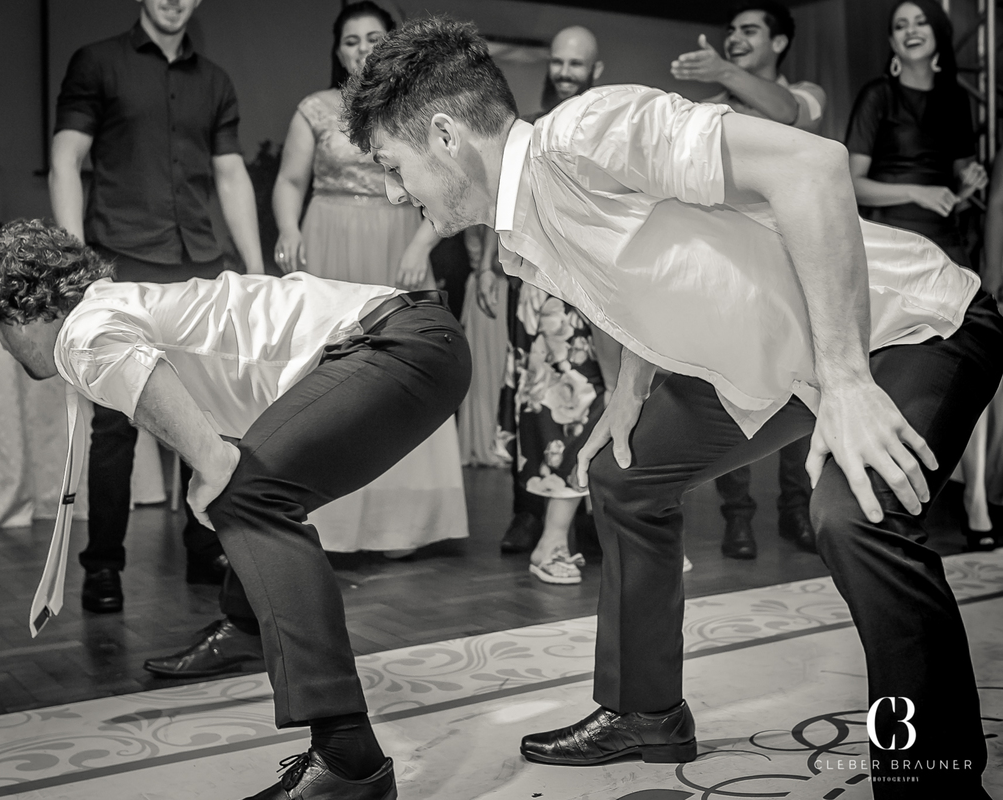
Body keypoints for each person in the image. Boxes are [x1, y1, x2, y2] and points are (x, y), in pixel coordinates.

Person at [344, 18, 1000, 797]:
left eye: (392, 167)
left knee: (852, 517)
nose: (393, 192)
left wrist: (849, 380)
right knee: (624, 478)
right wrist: (627, 392)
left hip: (902, 326)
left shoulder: (594, 131)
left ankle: (935, 775)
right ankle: (643, 711)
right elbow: (616, 285)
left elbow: (815, 168)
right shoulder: (523, 221)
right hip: (776, 367)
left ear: (446, 136)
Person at [0, 218, 468, 800]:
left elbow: (216, 462)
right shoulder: (116, 307)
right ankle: (249, 623)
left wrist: (209, 478)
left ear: (20, 312)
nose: (2, 347)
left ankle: (348, 759)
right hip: (416, 338)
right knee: (252, 484)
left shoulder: (83, 334)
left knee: (245, 496)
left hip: (395, 348)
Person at [49, 0, 265, 613]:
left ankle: (205, 550)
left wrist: (252, 268)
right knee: (116, 424)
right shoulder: (97, 62)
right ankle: (104, 565)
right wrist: (75, 264)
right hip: (118, 261)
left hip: (198, 264)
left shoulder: (216, 81)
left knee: (204, 415)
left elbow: (230, 174)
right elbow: (67, 159)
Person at [270, 0, 467, 556]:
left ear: (391, 44)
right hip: (329, 236)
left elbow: (450, 181)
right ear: (337, 49)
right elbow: (289, 180)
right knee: (327, 366)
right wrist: (288, 228)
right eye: (351, 40)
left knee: (403, 365)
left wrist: (421, 241)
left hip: (396, 240)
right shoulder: (313, 108)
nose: (362, 48)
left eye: (373, 38)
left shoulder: (418, 107)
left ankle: (403, 523)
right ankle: (324, 519)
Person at [672, 1, 826, 559]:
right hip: (732, 264)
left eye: (749, 30)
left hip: (796, 261)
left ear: (779, 42)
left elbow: (785, 111)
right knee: (729, 387)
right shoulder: (711, 110)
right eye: (730, 30)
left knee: (802, 386)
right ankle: (737, 516)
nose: (735, 38)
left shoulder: (808, 92)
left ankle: (796, 511)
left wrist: (723, 71)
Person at [846, 0, 993, 550]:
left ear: (938, 35)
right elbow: (851, 184)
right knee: (894, 380)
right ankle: (886, 505)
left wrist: (969, 182)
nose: (909, 32)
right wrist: (914, 190)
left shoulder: (956, 100)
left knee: (962, 378)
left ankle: (974, 500)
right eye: (899, 25)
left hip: (948, 247)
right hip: (891, 249)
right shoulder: (877, 96)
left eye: (919, 23)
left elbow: (954, 184)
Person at [482, 26, 615, 583]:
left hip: (598, 279)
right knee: (564, 402)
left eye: (574, 62)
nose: (563, 70)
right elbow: (508, 201)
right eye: (556, 61)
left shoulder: (607, 125)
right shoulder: (530, 130)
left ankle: (604, 533)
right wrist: (496, 265)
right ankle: (551, 538)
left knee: (600, 399)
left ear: (595, 69)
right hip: (546, 288)